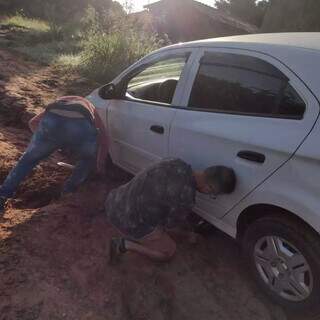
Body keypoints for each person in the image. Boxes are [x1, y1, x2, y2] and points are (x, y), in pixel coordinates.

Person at [105, 158, 236, 264]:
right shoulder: (185, 199)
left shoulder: (177, 162)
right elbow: (168, 227)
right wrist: (188, 235)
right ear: (209, 188)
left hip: (115, 200)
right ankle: (124, 245)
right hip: (125, 219)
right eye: (213, 194)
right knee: (168, 252)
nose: (210, 196)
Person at [0, 96, 108, 214]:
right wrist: (100, 164)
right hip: (80, 123)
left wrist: (45, 141)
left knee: (27, 161)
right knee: (86, 159)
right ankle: (68, 192)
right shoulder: (90, 107)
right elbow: (104, 138)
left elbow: (32, 122)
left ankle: (3, 195)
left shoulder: (59, 101)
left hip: (52, 119)